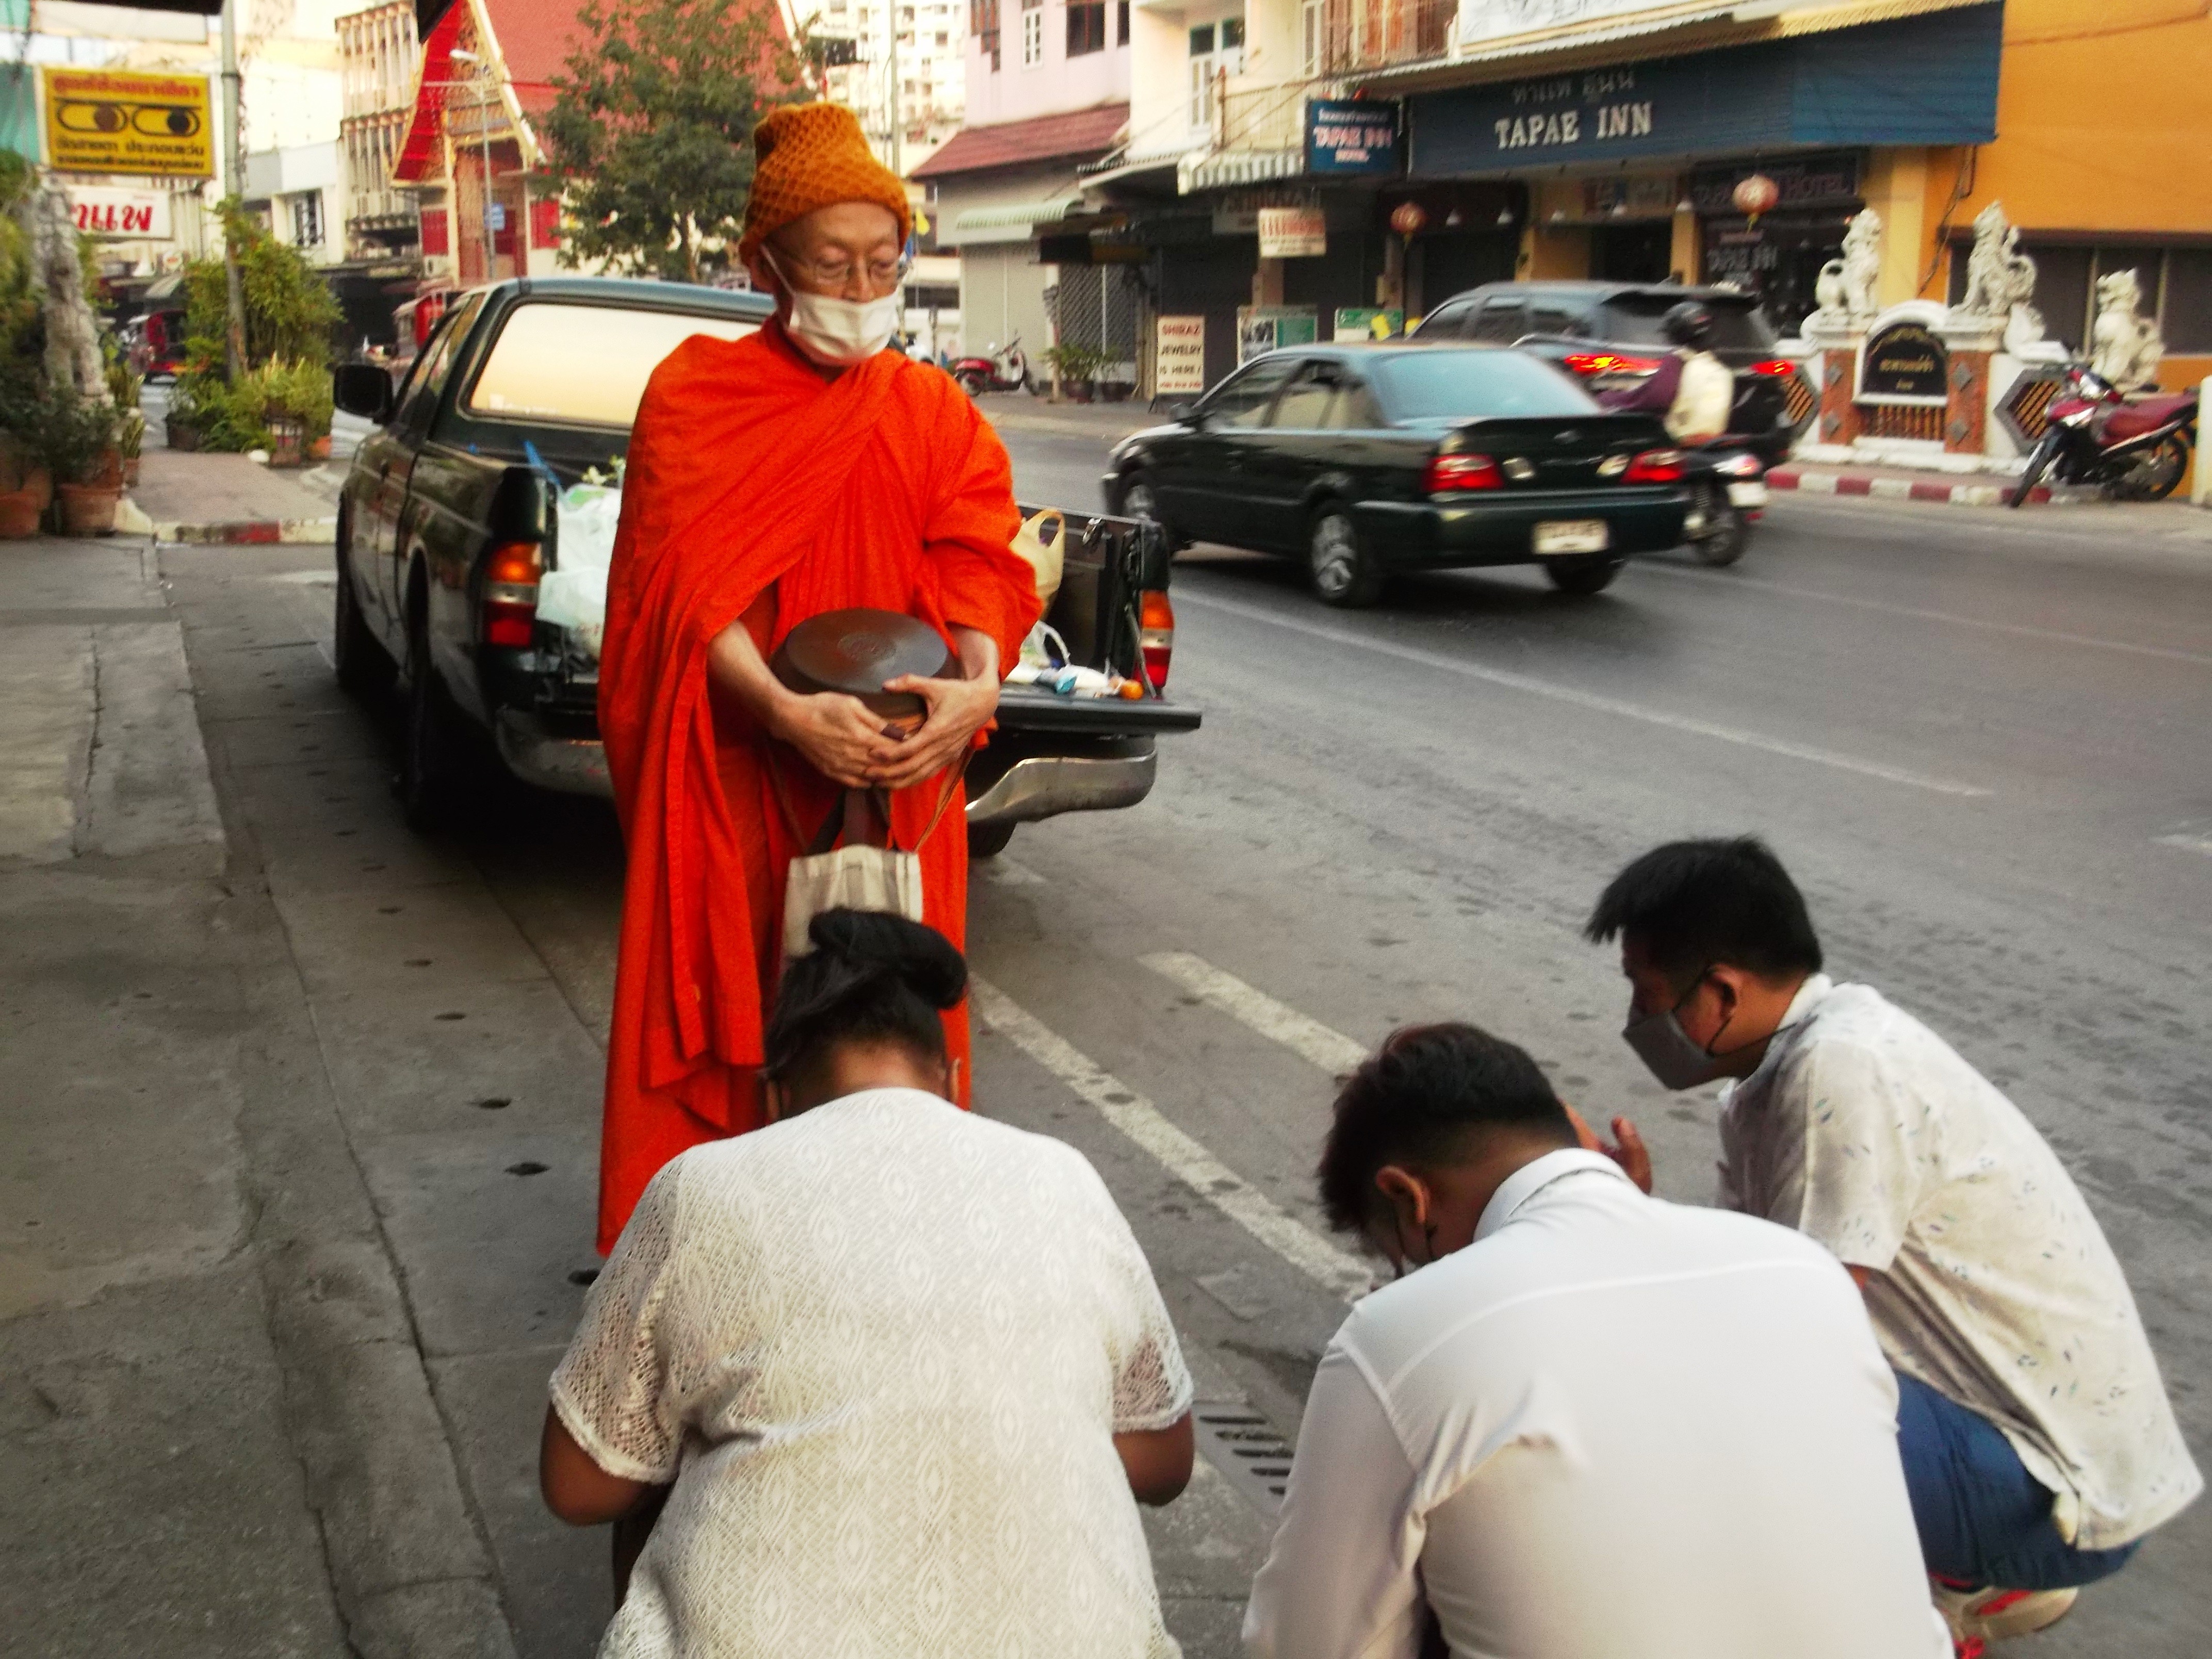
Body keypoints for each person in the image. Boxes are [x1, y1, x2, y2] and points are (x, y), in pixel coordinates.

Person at [594, 101, 1042, 1253]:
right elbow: (679, 601)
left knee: (889, 1021)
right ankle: (731, 1259)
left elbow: (982, 566)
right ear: (769, 263)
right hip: (747, 784)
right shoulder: (697, 396)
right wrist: (790, 715)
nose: (860, 283)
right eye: (831, 262)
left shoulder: (931, 408)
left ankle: (879, 1244)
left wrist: (979, 688)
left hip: (898, 786)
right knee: (752, 1015)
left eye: (882, 260)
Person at [1584, 837, 2201, 1644]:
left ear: (1724, 991)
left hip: (2055, 1493)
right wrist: (1635, 1218)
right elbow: (1751, 1274)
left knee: (1707, 1407)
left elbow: (1792, 1327)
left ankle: (1916, 1614)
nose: (1637, 1021)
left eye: (1647, 993)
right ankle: (1958, 1568)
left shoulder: (1840, 1067)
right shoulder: (1771, 1082)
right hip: (2033, 1457)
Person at [542, 909, 1196, 1657]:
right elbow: (1163, 1462)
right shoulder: (1065, 1178)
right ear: (951, 1082)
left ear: (775, 1096)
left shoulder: (702, 1188)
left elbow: (579, 1484)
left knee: (655, 1467)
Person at [1243, 1022, 1949, 1659]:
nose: (1416, 1276)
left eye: (1408, 1256)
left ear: (1409, 1197)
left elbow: (1307, 1645)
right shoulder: (1803, 1270)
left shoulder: (1402, 1334)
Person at [1598, 298, 1735, 445]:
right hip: (1712, 442)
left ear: (1676, 333)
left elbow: (1654, 398)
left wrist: (1607, 399)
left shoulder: (1679, 360)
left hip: (1677, 442)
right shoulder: (1718, 368)